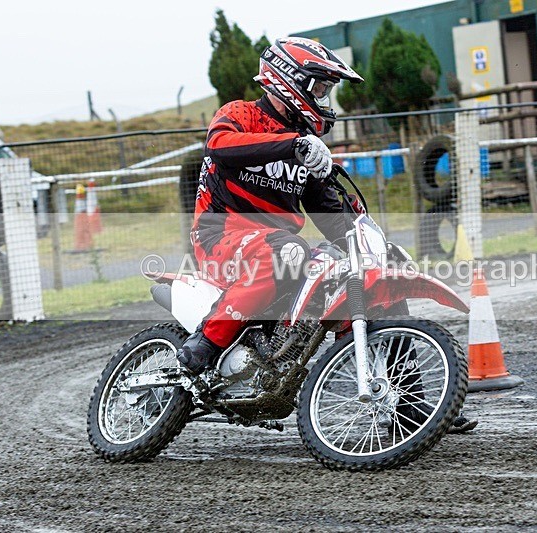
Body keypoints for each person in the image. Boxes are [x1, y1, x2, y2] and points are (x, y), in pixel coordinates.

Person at [178, 37, 477, 433]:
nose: (325, 99)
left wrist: (371, 248)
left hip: (281, 248)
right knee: (286, 250)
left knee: (377, 270)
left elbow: (333, 218)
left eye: (327, 91)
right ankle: (205, 345)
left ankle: (411, 407)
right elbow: (220, 147)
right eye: (319, 88)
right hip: (221, 236)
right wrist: (293, 144)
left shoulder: (309, 151)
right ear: (289, 80)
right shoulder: (241, 114)